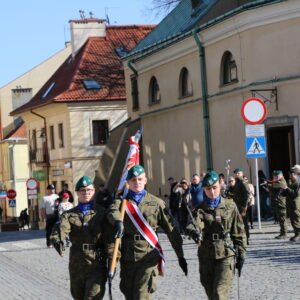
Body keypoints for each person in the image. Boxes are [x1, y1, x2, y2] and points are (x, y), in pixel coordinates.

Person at [108, 165, 188, 300]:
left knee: (142, 294)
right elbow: (112, 212)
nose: (137, 182)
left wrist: (180, 256)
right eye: (133, 180)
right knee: (129, 294)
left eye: (140, 179)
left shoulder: (156, 203)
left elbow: (171, 230)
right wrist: (117, 221)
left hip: (149, 255)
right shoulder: (122, 202)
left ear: (145, 180)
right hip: (128, 256)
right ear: (128, 182)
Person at [185, 171, 247, 300]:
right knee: (211, 294)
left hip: (226, 253)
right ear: (204, 189)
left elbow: (239, 231)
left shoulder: (230, 206)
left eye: (215, 188)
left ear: (220, 186)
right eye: (208, 189)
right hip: (206, 255)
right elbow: (194, 224)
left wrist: (241, 254)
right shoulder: (199, 209)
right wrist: (194, 232)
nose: (212, 192)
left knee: (220, 294)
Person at [50, 176, 111, 300]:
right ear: (77, 193)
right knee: (78, 296)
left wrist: (112, 259)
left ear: (94, 191)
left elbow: (110, 238)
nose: (86, 193)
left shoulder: (103, 213)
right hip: (77, 262)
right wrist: (60, 240)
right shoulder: (68, 214)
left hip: (97, 262)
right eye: (82, 190)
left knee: (92, 297)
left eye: (89, 190)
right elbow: (62, 229)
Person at [233, 168, 251, 244]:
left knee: (244, 223)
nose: (237, 175)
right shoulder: (237, 182)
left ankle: (246, 239)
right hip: (237, 206)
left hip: (242, 207)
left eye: (238, 173)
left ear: (242, 173)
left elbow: (247, 195)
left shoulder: (243, 182)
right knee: (239, 224)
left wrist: (245, 207)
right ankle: (241, 239)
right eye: (236, 173)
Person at [281, 168, 300, 241]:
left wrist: (287, 188)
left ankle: (298, 234)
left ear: (295, 175)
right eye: (290, 175)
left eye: (291, 175)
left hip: (295, 205)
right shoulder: (290, 183)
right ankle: (296, 234)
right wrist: (284, 190)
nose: (290, 176)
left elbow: (295, 194)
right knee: (293, 220)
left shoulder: (297, 183)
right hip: (290, 204)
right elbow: (286, 194)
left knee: (296, 220)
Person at [268, 170, 288, 239]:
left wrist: (269, 184)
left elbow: (275, 186)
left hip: (281, 203)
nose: (276, 177)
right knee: (280, 219)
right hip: (278, 203)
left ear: (281, 175)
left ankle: (284, 234)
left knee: (282, 219)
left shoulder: (282, 181)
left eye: (277, 176)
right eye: (275, 176)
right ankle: (282, 233)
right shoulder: (277, 181)